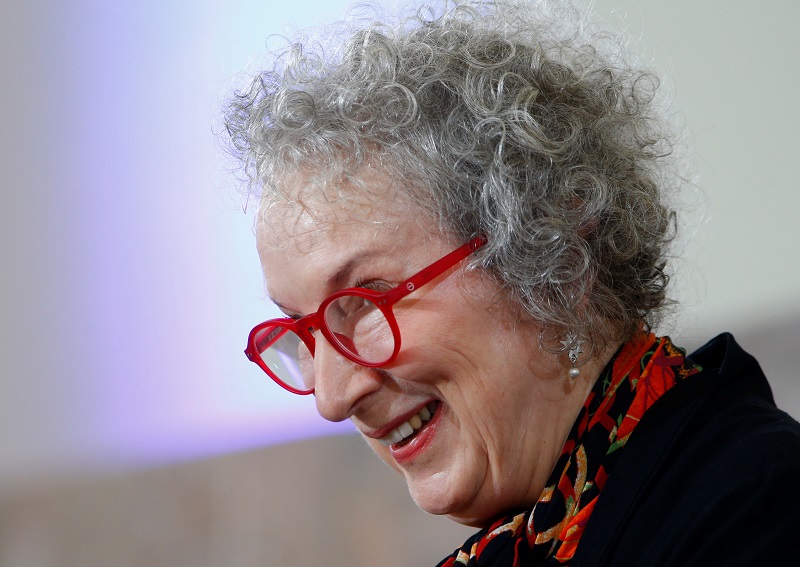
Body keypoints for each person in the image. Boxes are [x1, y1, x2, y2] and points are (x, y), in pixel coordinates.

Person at [223, 0, 800, 564]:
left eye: (366, 302)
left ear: (551, 253)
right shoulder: (528, 542)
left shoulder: (758, 510)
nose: (332, 396)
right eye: (304, 333)